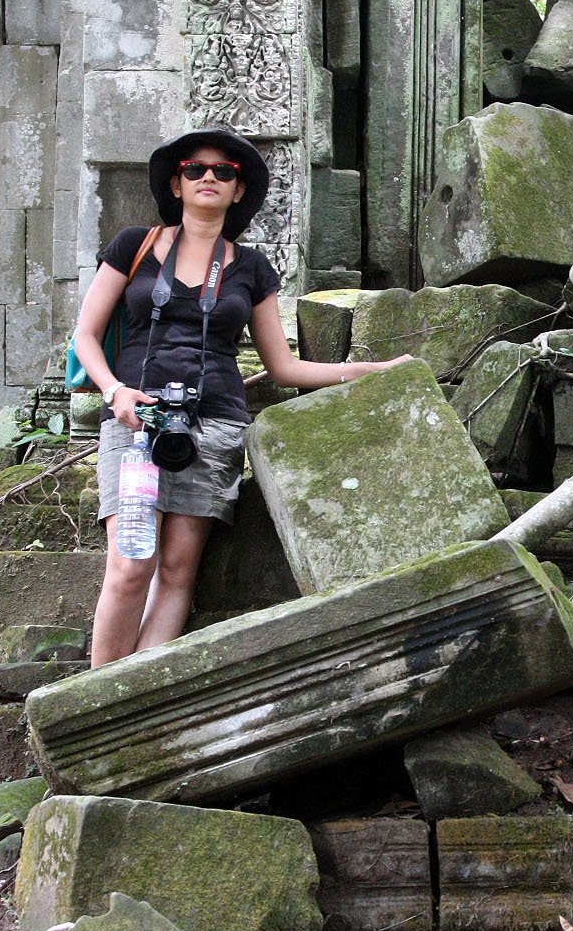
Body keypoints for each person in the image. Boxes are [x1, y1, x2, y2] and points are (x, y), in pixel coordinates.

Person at [71, 125, 401, 667]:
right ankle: (93, 696)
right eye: (194, 169)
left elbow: (283, 367)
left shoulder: (251, 268)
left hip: (216, 425)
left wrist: (374, 370)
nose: (209, 177)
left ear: (239, 189)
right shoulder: (134, 245)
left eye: (223, 171)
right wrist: (115, 391)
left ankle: (138, 694)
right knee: (131, 563)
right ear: (175, 184)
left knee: (177, 570)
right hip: (136, 421)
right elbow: (85, 335)